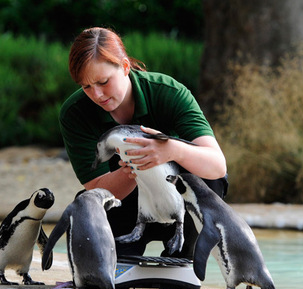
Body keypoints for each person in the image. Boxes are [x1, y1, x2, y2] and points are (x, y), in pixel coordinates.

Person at [59, 27, 228, 257]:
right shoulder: (75, 113)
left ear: (125, 67)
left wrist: (172, 150)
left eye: (103, 81)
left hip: (177, 202)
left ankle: (185, 258)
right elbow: (96, 188)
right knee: (88, 215)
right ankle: (122, 257)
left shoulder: (168, 92)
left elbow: (217, 166)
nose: (97, 94)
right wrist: (133, 168)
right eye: (86, 86)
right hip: (126, 205)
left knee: (210, 181)